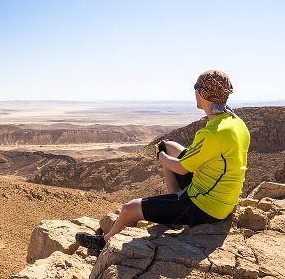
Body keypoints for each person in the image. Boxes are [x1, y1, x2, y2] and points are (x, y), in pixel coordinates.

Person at [75, 70, 250, 252]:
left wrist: (160, 155)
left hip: (205, 205)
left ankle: (102, 244)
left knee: (130, 208)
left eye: (196, 88)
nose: (195, 93)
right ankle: (173, 210)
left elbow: (181, 169)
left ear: (202, 93)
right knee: (170, 146)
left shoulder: (212, 133)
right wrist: (165, 151)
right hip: (222, 198)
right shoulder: (237, 123)